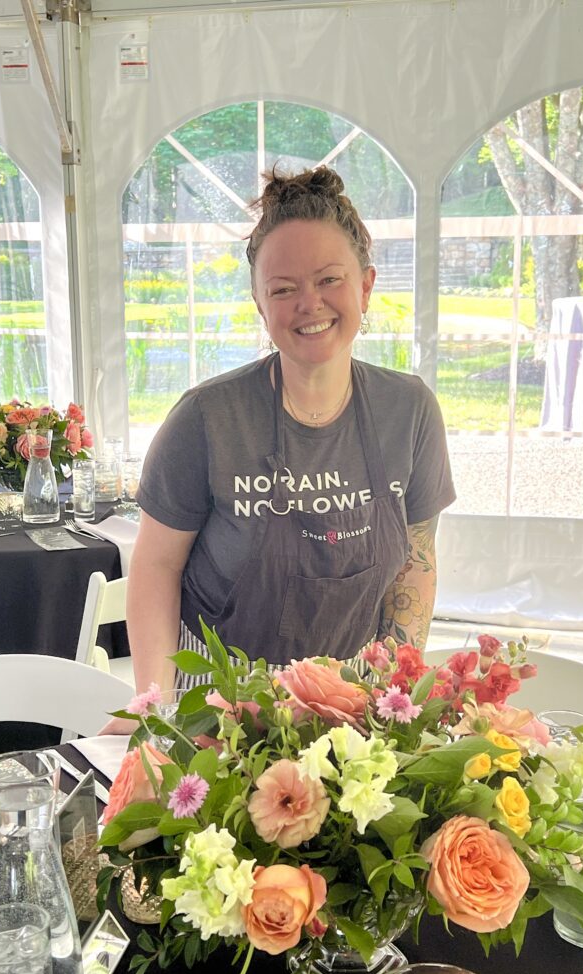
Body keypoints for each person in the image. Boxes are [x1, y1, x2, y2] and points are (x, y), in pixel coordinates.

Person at [125, 165, 456, 709]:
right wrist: (157, 710)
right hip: (217, 695)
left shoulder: (410, 410)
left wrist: (395, 695)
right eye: (283, 289)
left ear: (366, 287)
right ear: (260, 305)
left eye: (330, 279)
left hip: (351, 694)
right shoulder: (206, 418)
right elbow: (156, 566)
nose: (310, 303)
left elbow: (415, 561)